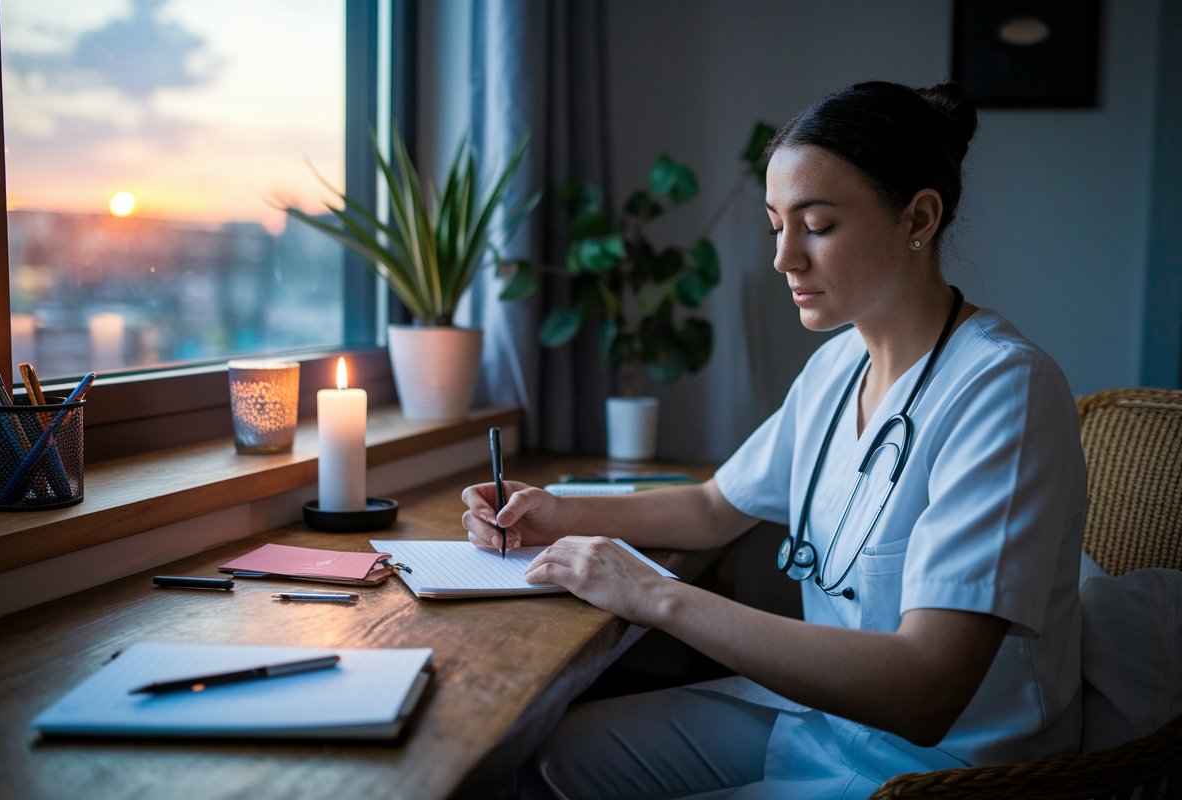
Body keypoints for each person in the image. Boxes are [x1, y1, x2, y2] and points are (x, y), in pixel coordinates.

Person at [461, 80, 1087, 800]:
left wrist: (654, 596)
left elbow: (926, 690)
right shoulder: (836, 365)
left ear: (918, 217)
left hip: (943, 770)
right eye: (775, 226)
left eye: (816, 225)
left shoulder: (1003, 390)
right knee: (543, 761)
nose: (785, 258)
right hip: (824, 720)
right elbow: (711, 508)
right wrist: (557, 512)